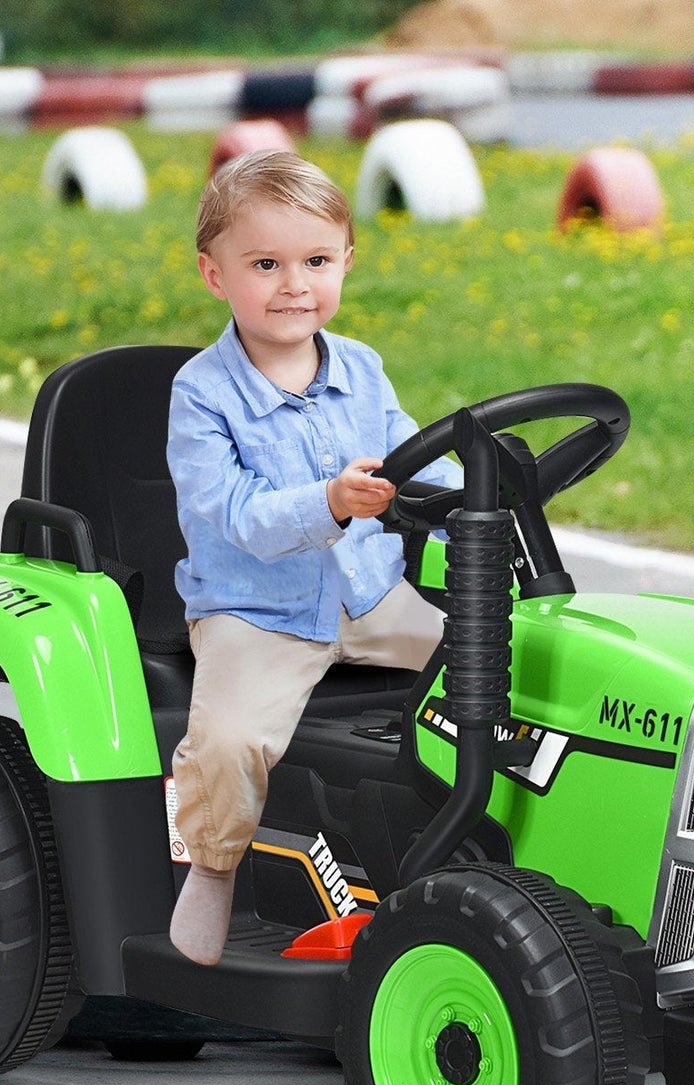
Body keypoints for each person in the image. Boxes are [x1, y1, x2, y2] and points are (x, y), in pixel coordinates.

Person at [166, 150, 455, 965]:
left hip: (368, 597)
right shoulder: (201, 393)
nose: (294, 284)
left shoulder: (360, 368)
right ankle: (215, 868)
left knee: (503, 667)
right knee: (228, 738)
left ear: (345, 263)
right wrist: (327, 503)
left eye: (315, 262)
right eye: (266, 264)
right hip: (258, 614)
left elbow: (415, 454)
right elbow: (231, 517)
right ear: (214, 274)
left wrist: (479, 493)